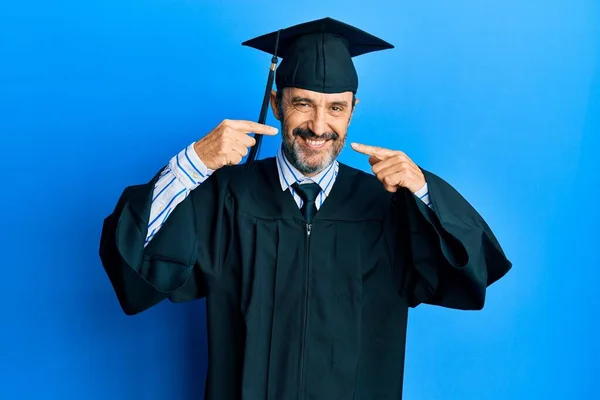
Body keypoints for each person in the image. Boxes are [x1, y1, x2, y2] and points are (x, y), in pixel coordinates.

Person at [99, 17, 512, 400]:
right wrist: (194, 163)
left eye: (335, 107)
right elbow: (134, 262)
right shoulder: (226, 197)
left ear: (352, 111)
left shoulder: (389, 207)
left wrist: (423, 190)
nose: (318, 125)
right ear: (277, 105)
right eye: (303, 104)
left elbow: (468, 272)